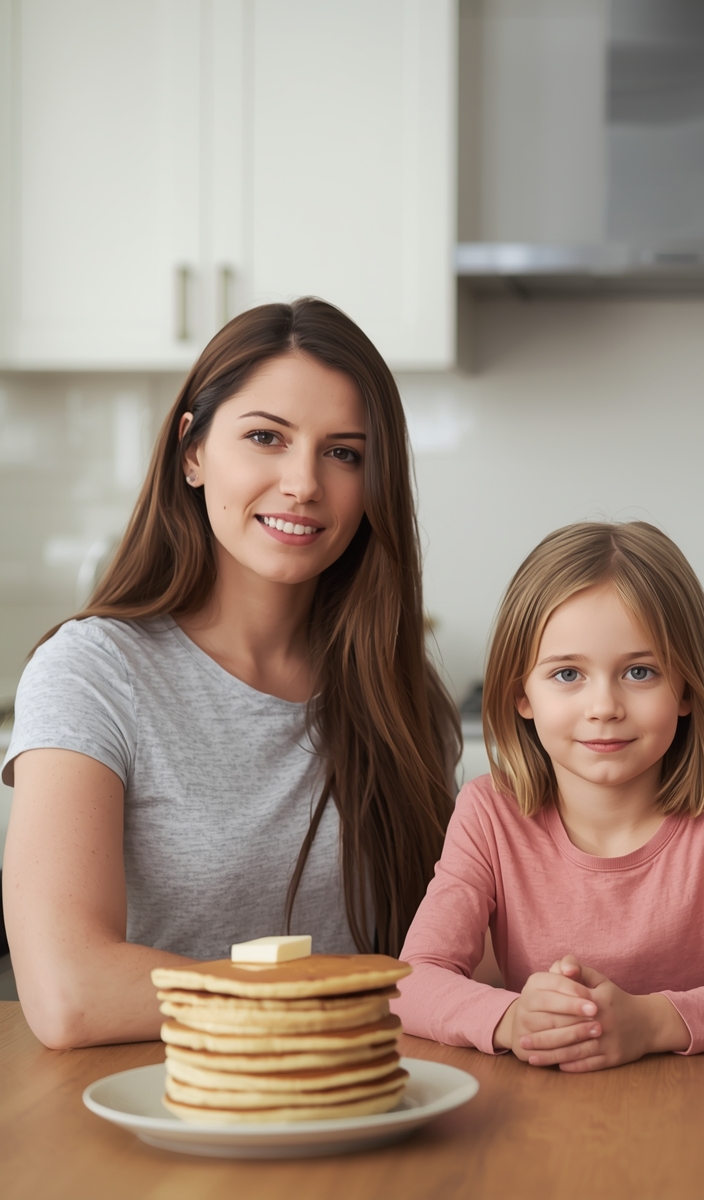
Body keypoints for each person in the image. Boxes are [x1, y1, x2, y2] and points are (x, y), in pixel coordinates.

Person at [2, 299, 460, 1049]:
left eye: (344, 452)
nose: (303, 483)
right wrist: (330, 988)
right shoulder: (92, 674)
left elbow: (450, 957)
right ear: (191, 450)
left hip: (366, 1106)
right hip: (163, 1117)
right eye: (265, 438)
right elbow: (67, 992)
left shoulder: (404, 697)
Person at [396, 521, 704, 1069]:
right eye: (568, 674)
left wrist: (650, 1023)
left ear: (687, 691)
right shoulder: (488, 813)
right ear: (521, 695)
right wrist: (512, 1019)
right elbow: (411, 984)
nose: (604, 706)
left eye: (640, 671)